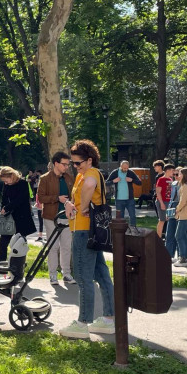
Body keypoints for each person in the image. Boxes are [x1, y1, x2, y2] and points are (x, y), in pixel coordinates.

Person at [61, 140, 115, 338]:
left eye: (78, 163)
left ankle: (83, 323)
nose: (75, 166)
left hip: (84, 231)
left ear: (90, 160)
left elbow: (90, 186)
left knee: (83, 278)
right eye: (73, 163)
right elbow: (79, 196)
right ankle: (109, 319)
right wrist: (70, 204)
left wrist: (82, 207)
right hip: (93, 231)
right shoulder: (85, 174)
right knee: (101, 274)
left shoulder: (91, 174)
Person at [37, 151, 75, 285]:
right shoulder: (45, 178)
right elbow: (41, 198)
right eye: (64, 164)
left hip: (67, 217)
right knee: (53, 247)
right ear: (56, 163)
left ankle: (66, 274)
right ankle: (53, 275)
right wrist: (57, 198)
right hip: (51, 217)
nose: (66, 167)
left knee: (66, 247)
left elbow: (74, 195)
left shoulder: (69, 178)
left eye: (68, 164)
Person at [0, 166, 36, 261]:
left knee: (19, 244)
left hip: (22, 217)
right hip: (10, 218)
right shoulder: (6, 185)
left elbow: (20, 200)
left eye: (6, 180)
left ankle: (18, 266)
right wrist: (3, 209)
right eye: (4, 181)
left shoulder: (23, 184)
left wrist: (7, 207)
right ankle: (1, 264)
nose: (5, 183)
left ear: (11, 176)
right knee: (2, 242)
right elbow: (4, 199)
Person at [106, 160, 141, 227]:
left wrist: (132, 180)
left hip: (130, 199)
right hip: (119, 199)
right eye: (124, 168)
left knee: (132, 216)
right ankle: (121, 230)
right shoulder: (115, 172)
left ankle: (133, 229)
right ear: (120, 166)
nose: (126, 170)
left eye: (127, 168)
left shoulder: (130, 172)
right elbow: (106, 183)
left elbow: (139, 183)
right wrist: (113, 181)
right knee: (120, 217)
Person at [154, 162, 174, 239]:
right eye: (172, 170)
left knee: (169, 220)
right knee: (162, 220)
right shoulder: (161, 179)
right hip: (162, 201)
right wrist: (161, 203)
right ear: (167, 170)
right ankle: (158, 238)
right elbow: (158, 192)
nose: (173, 172)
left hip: (169, 202)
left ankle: (168, 237)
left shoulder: (171, 179)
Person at [152, 160, 166, 234]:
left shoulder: (163, 175)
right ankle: (162, 231)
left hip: (162, 197)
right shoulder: (157, 176)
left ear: (160, 167)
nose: (154, 168)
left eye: (155, 166)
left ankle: (164, 231)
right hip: (156, 196)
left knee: (163, 216)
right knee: (159, 215)